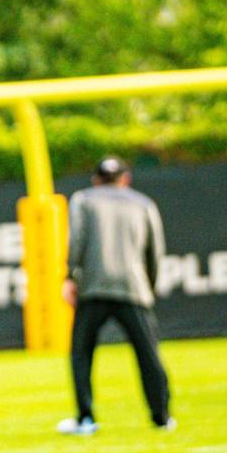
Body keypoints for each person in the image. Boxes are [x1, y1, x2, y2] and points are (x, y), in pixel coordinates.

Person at [58, 157, 173, 436]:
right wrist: (149, 285)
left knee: (81, 354)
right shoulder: (143, 203)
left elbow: (76, 240)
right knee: (148, 353)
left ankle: (85, 418)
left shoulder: (83, 199)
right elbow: (154, 249)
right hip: (133, 287)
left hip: (93, 287)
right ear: (125, 179)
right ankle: (161, 417)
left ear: (96, 179)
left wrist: (69, 276)